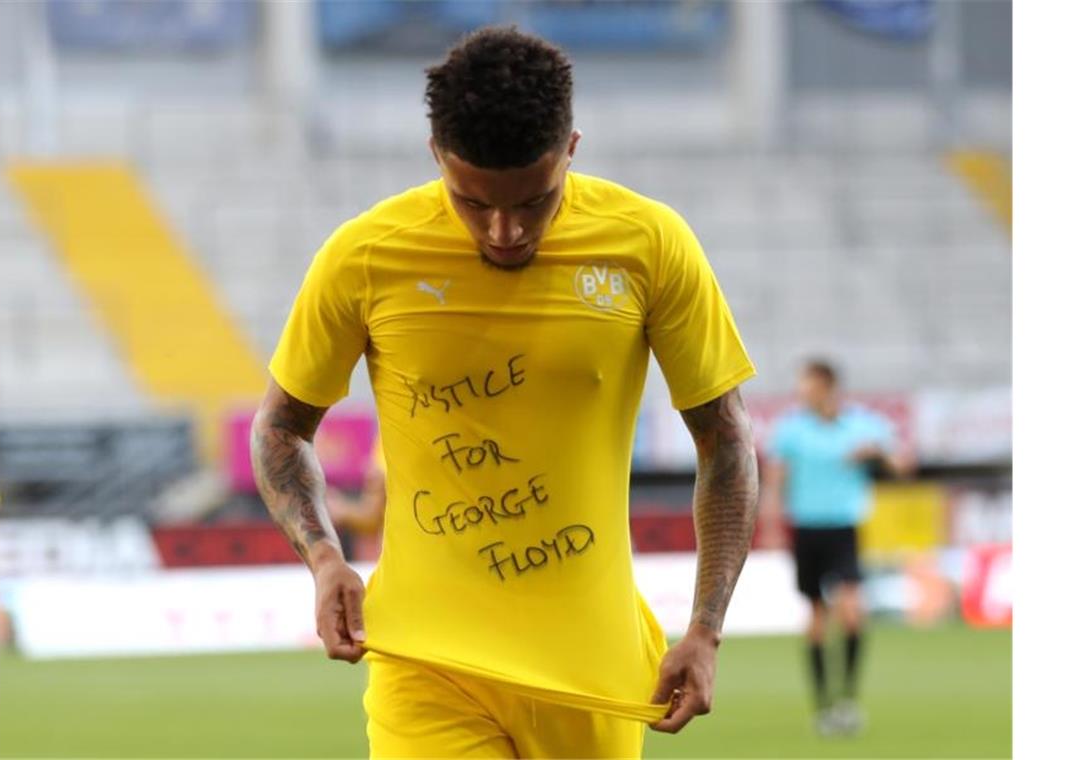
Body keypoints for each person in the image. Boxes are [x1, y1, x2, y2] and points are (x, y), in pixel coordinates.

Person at [251, 26, 758, 758]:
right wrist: (324, 557)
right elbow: (279, 428)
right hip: (428, 665)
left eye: (533, 201)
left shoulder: (649, 244)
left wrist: (706, 628)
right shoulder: (364, 257)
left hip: (592, 668)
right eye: (473, 202)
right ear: (436, 158)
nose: (504, 229)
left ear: (571, 149)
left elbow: (725, 438)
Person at [759, 359, 914, 737]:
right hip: (807, 528)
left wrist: (875, 454)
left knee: (851, 611)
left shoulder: (862, 425)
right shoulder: (791, 429)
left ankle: (848, 699)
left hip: (845, 528)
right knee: (815, 615)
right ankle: (823, 704)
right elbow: (776, 478)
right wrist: (769, 522)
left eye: (808, 386)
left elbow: (902, 465)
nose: (802, 393)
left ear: (827, 387)